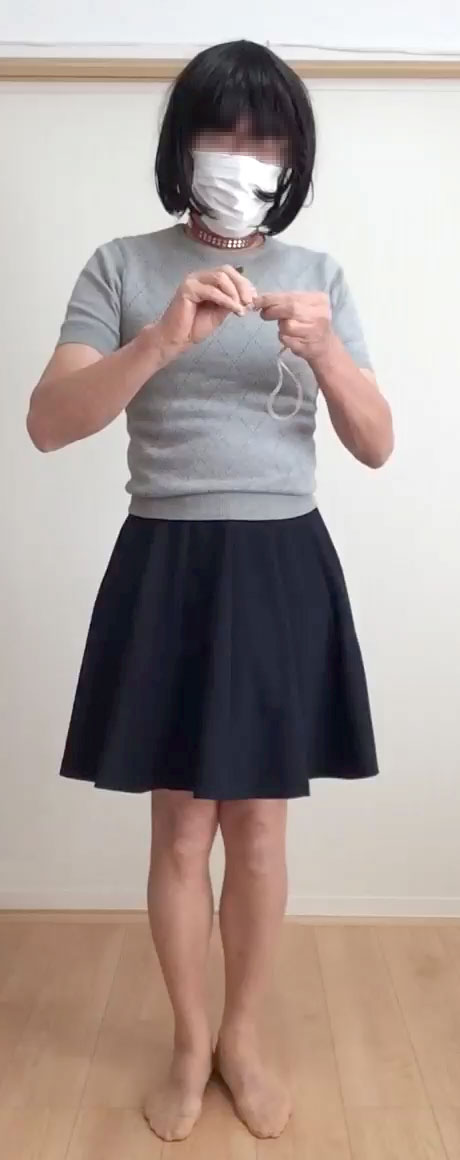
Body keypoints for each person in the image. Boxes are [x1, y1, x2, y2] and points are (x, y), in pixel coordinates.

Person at [27, 39, 393, 1143]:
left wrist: (328, 356)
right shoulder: (122, 266)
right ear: (182, 146)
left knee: (262, 832)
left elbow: (376, 442)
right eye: (222, 133)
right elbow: (49, 422)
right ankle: (190, 1041)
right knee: (181, 833)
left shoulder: (320, 274)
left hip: (280, 564)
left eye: (266, 138)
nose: (243, 155)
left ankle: (242, 1035)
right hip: (169, 563)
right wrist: (159, 339)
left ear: (292, 158)